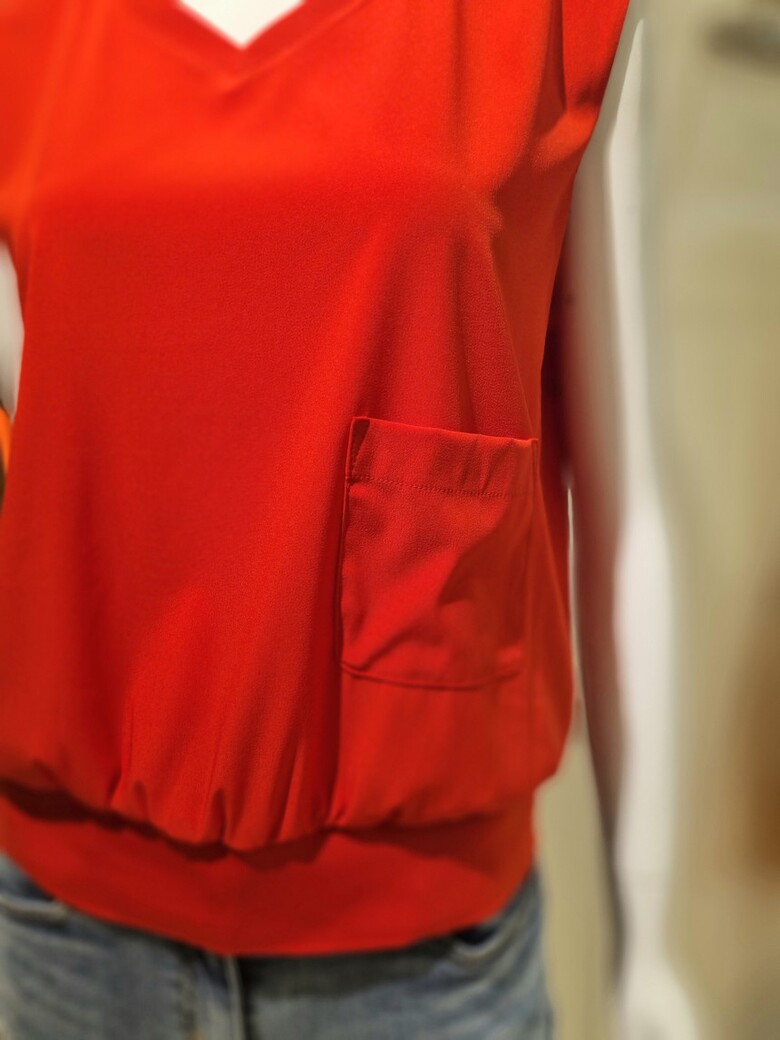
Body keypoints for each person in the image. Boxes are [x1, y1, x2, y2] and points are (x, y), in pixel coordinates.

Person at [0, 1, 632, 1036]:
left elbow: (635, 487)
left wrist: (661, 954)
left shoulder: (548, 25)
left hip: (420, 959)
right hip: (68, 927)